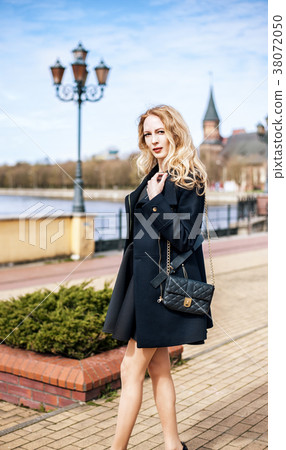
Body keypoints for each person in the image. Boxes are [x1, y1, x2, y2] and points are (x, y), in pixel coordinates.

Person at [103, 105, 213, 450]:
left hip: (161, 286)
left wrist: (153, 203)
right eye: (148, 134)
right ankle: (172, 445)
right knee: (159, 368)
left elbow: (185, 237)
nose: (153, 140)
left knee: (130, 370)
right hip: (142, 278)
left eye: (160, 131)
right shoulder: (154, 173)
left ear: (175, 132)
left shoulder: (189, 177)